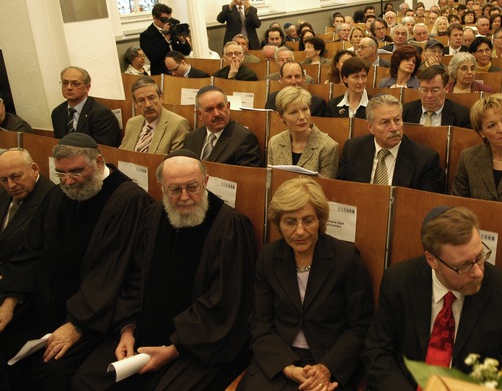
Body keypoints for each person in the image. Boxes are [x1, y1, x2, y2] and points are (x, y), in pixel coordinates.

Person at [72, 152, 257, 390]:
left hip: (195, 345)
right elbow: (134, 278)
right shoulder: (153, 216)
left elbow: (225, 302)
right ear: (161, 187)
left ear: (206, 181)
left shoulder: (229, 226)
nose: (185, 197)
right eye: (174, 189)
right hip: (143, 329)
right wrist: (127, 330)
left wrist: (174, 349)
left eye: (193, 187)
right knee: (86, 381)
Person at [0, 134, 151, 390]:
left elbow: (111, 272)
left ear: (99, 162)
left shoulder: (127, 199)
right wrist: (10, 301)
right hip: (44, 305)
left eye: (76, 172)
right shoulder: (61, 193)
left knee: (50, 371)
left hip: (91, 316)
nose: (68, 181)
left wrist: (77, 325)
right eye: (61, 173)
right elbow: (32, 250)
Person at [362, 205, 502, 389]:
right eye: (464, 265)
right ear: (432, 260)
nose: (478, 272)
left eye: (480, 256)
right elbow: (376, 352)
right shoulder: (398, 281)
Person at [238, 178, 373, 390]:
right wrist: (287, 367)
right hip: (278, 359)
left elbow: (360, 327)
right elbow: (260, 324)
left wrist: (326, 368)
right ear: (278, 224)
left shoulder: (346, 258)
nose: (300, 231)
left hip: (330, 361)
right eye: (290, 222)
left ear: (320, 220)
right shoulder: (268, 257)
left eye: (308, 220)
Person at [337, 93, 443, 193]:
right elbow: (342, 193)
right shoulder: (352, 149)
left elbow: (427, 206)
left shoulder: (425, 159)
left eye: (397, 120)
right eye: (385, 122)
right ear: (370, 127)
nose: (394, 128)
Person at [0, 148, 58, 263]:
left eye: (16, 176)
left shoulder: (51, 199)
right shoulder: (3, 193)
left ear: (34, 169)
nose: (10, 185)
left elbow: (41, 256)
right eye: (4, 180)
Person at [268, 87, 339, 178]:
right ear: (281, 117)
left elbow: (326, 188)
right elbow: (271, 181)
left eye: (305, 109)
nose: (302, 117)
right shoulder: (274, 143)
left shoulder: (328, 146)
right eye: (293, 112)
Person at [183, 86, 262, 166]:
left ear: (228, 107)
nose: (217, 114)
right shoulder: (191, 138)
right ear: (199, 114)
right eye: (209, 110)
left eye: (220, 107)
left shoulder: (244, 139)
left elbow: (247, 176)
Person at [51, 66, 121, 147]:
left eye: (75, 83)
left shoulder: (102, 114)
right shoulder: (57, 112)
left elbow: (102, 149)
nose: (69, 87)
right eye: (65, 83)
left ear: (87, 87)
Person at [119, 77, 190, 154]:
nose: (147, 105)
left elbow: (174, 162)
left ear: (161, 98)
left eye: (151, 98)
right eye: (141, 100)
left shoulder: (178, 124)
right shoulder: (132, 123)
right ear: (135, 104)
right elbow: (121, 155)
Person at [402, 65, 471, 128]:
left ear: (446, 88)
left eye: (435, 90)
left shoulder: (462, 116)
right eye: (424, 90)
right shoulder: (405, 111)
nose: (429, 95)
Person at [140, 3, 191, 76]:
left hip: (178, 71)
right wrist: (166, 38)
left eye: (169, 19)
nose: (167, 22)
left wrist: (182, 40)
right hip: (161, 73)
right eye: (164, 19)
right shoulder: (146, 35)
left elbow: (186, 51)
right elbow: (153, 56)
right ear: (154, 17)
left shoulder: (173, 29)